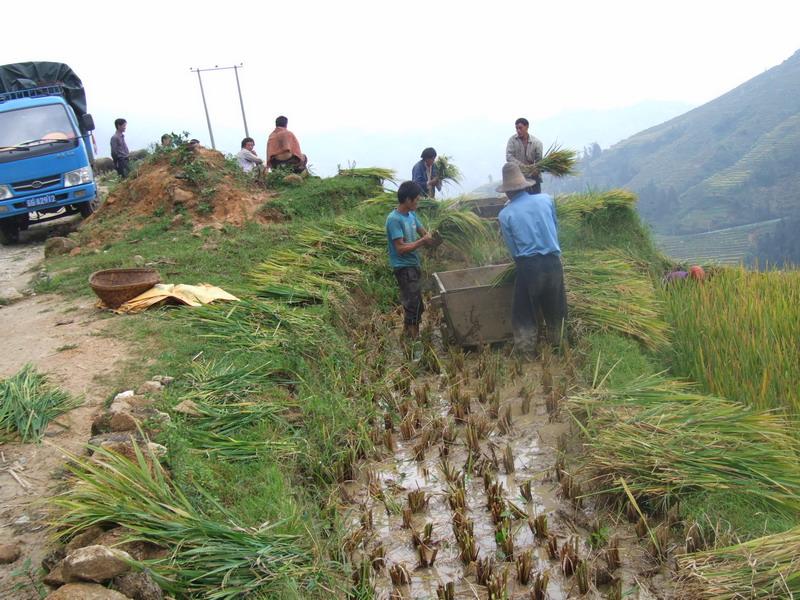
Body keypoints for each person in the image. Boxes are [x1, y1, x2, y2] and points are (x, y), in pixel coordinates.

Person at [497, 162, 567, 354]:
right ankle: (561, 348)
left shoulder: (505, 214)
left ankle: (526, 354)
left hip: (529, 267)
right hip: (553, 262)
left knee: (524, 311)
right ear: (525, 185)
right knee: (556, 308)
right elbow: (554, 226)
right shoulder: (546, 200)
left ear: (508, 192)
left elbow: (513, 250)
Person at [386, 181, 435, 341]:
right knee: (413, 306)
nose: (418, 202)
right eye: (416, 199)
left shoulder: (412, 215)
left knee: (417, 305)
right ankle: (414, 343)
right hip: (403, 268)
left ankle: (406, 337)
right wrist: (422, 242)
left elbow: (424, 233)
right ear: (407, 200)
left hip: (414, 265)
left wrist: (433, 238)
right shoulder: (394, 219)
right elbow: (400, 248)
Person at [506, 118, 543, 194]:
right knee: (520, 199)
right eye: (516, 128)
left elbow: (539, 161)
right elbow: (509, 157)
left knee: (535, 198)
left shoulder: (537, 143)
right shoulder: (512, 140)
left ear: (527, 127)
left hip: (534, 177)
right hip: (518, 177)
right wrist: (524, 167)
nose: (518, 130)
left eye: (520, 128)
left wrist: (536, 169)